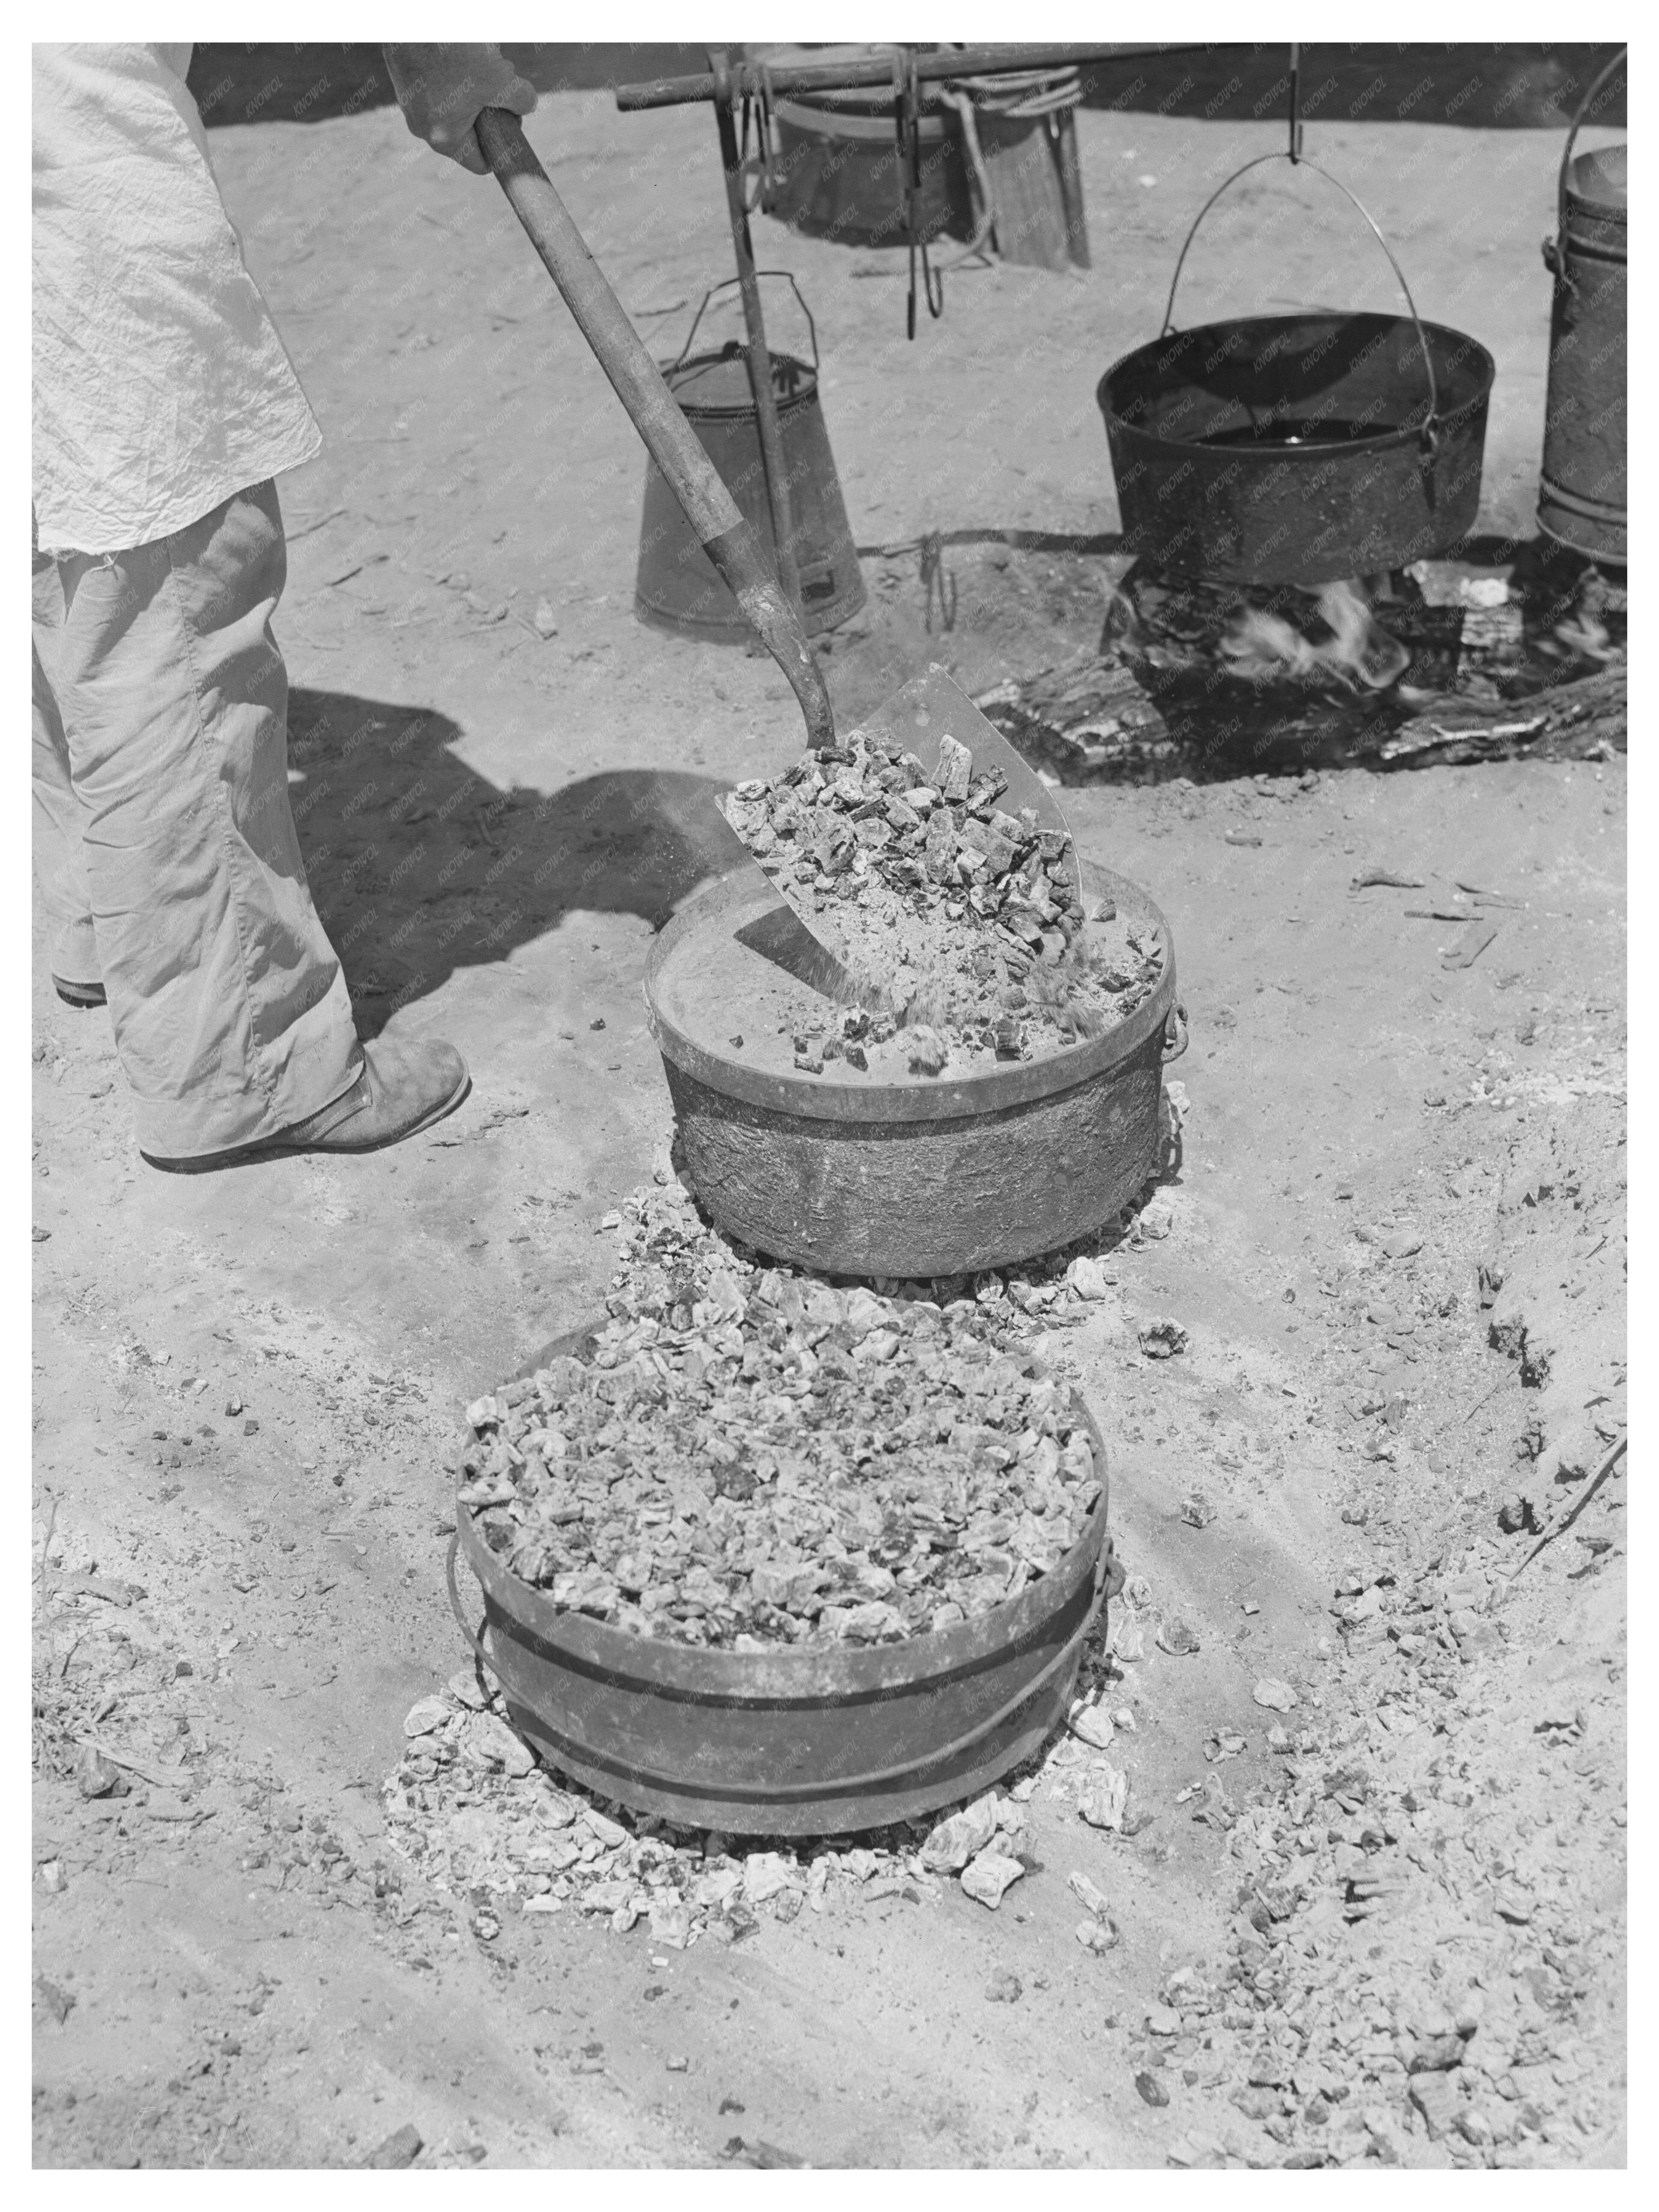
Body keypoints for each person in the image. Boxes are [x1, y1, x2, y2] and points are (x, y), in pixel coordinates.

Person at [31, 41, 536, 1169]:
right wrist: (438, 48)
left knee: (58, 554)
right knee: (170, 582)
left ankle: (108, 935)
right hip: (63, 134)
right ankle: (246, 1067)